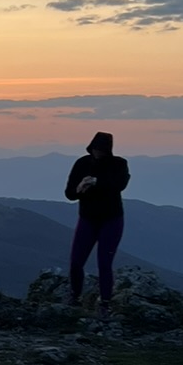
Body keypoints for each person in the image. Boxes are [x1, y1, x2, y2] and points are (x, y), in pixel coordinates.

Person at [64, 130, 130, 312]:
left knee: (104, 263)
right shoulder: (82, 164)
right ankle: (75, 296)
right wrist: (79, 188)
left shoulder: (119, 164)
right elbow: (69, 193)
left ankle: (105, 304)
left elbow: (119, 184)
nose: (98, 152)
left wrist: (96, 182)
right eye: (95, 148)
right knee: (76, 262)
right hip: (88, 219)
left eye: (101, 149)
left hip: (111, 219)